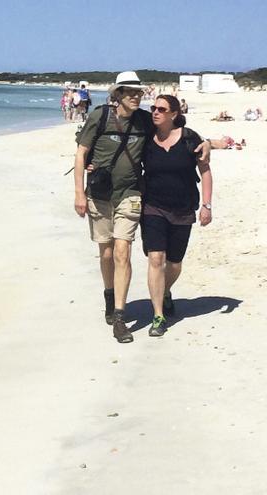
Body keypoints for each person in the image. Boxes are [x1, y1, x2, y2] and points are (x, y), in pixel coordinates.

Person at [73, 71, 210, 343]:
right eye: (130, 92)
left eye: (139, 92)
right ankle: (109, 294)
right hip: (99, 194)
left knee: (123, 251)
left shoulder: (146, 121)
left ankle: (120, 317)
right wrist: (79, 193)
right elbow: (81, 154)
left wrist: (210, 143)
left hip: (131, 193)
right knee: (107, 253)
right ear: (118, 95)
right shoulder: (99, 117)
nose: (137, 96)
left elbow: (177, 133)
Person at [139, 95, 213, 336]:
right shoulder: (146, 138)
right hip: (153, 206)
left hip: (183, 208)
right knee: (156, 258)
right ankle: (158, 315)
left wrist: (207, 205)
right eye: (153, 108)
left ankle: (166, 290)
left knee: (175, 263)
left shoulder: (190, 138)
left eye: (161, 109)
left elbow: (205, 172)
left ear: (174, 114)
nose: (155, 112)